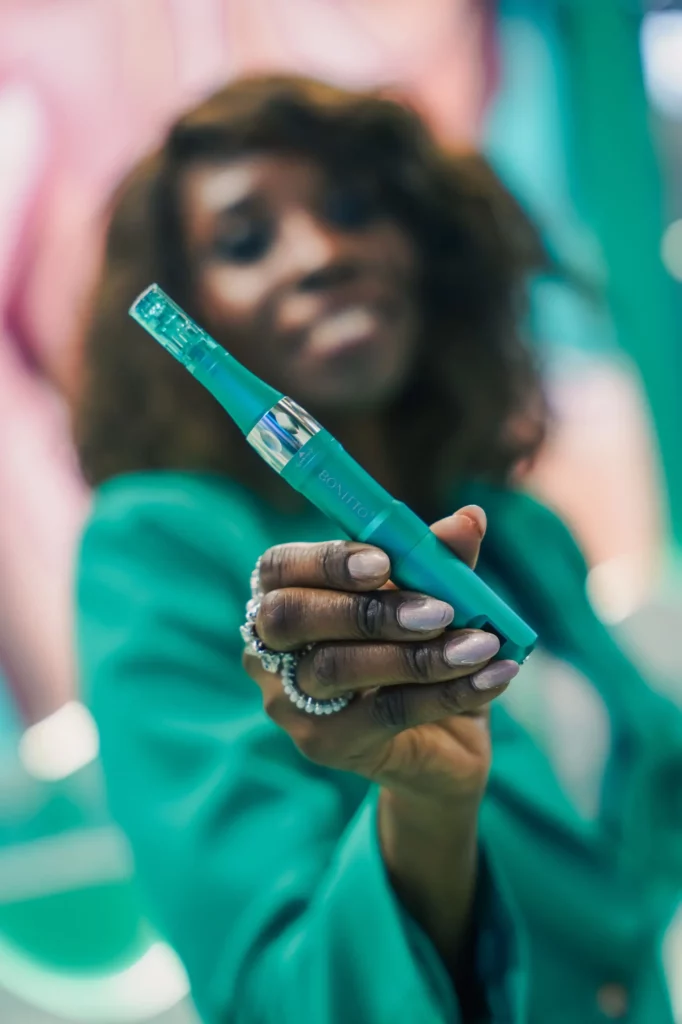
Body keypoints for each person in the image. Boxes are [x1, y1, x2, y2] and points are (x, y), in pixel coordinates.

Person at [73, 75, 682, 1023]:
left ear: (425, 246)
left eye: (356, 209)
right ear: (197, 315)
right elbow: (275, 994)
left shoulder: (517, 531)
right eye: (244, 242)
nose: (321, 253)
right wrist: (427, 813)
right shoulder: (158, 548)